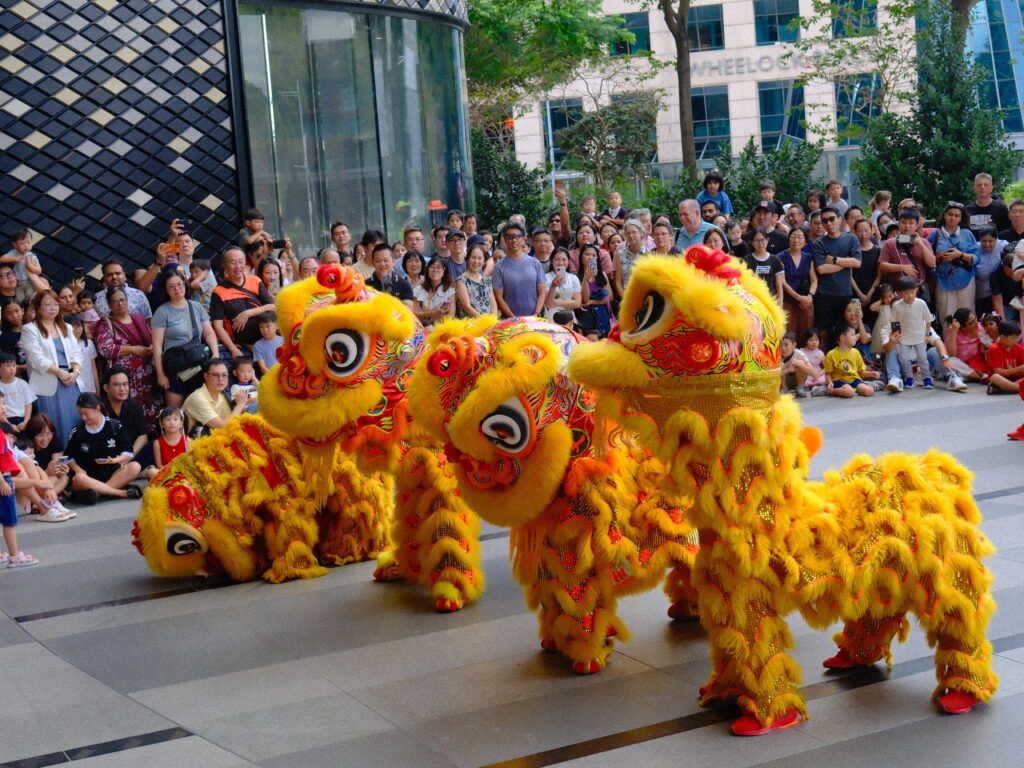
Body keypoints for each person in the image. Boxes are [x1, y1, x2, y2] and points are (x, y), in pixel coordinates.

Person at [152, 270, 219, 408]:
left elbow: (209, 333)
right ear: (166, 290)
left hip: (198, 364)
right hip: (176, 367)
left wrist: (215, 355)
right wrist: (161, 374)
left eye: (179, 284)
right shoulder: (162, 312)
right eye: (172, 286)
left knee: (200, 410)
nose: (177, 289)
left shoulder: (196, 306)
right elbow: (157, 346)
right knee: (175, 413)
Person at [22, 290, 82, 441]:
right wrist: (60, 372)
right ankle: (59, 459)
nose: (53, 308)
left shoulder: (66, 327)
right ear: (38, 307)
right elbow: (36, 358)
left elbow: (76, 352)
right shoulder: (30, 329)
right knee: (55, 424)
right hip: (48, 382)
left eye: (55, 304)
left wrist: (75, 372)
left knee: (76, 420)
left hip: (71, 381)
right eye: (48, 304)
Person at [94, 286, 159, 425]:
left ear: (128, 300)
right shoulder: (106, 324)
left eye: (122, 299)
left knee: (151, 410)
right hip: (125, 381)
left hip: (147, 376)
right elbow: (105, 349)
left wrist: (153, 347)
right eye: (115, 301)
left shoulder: (139, 319)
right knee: (130, 412)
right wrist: (133, 350)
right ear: (109, 305)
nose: (120, 303)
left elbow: (153, 339)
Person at [64, 392, 142, 503]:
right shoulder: (77, 431)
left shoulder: (115, 426)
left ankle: (98, 493)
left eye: (86, 413)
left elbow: (128, 453)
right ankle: (120, 493)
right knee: (79, 479)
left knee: (135, 466)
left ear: (97, 408)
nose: (83, 417)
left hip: (112, 474)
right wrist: (78, 469)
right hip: (88, 478)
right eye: (80, 414)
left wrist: (114, 460)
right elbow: (68, 457)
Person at [210, 246, 275, 358]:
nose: (238, 266)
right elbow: (218, 326)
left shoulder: (255, 281)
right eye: (233, 263)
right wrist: (233, 349)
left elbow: (272, 306)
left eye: (241, 262)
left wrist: (247, 313)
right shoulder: (218, 292)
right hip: (243, 345)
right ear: (224, 265)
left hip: (267, 340)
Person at [812, 206, 861, 349]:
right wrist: (845, 262)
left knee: (849, 329)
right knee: (824, 331)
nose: (828, 223)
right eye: (824, 220)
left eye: (832, 219)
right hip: (824, 294)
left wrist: (833, 260)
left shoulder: (851, 238)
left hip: (846, 293)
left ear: (840, 220)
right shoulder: (819, 242)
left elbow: (857, 263)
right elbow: (821, 269)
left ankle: (848, 362)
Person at [931, 202, 979, 330]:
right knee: (946, 315)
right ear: (944, 216)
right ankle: (949, 346)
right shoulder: (935, 234)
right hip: (943, 281)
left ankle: (969, 346)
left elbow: (976, 258)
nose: (953, 218)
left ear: (961, 218)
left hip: (966, 280)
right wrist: (939, 257)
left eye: (957, 215)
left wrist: (960, 255)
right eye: (950, 214)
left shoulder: (967, 234)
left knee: (968, 315)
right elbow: (927, 259)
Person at [878, 207, 937, 300]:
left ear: (917, 225)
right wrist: (902, 267)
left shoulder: (924, 242)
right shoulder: (889, 243)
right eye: (903, 223)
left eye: (911, 223)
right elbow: (882, 265)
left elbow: (932, 263)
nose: (907, 226)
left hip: (919, 291)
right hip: (898, 292)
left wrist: (920, 244)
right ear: (899, 223)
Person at [0, 421, 37, 565]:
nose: (3, 408)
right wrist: (3, 482)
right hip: (3, 478)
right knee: (9, 521)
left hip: (5, 476)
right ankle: (14, 555)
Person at [183, 358, 249, 437]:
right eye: (215, 375)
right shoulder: (197, 398)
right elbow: (222, 427)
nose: (221, 379)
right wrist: (240, 405)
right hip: (190, 446)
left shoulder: (223, 395)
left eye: (224, 375)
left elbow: (231, 422)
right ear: (206, 376)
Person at [890, 276, 936, 389]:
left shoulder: (921, 303)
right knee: (904, 358)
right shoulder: (896, 306)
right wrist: (896, 334)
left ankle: (927, 378)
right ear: (899, 293)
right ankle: (909, 378)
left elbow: (928, 319)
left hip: (919, 336)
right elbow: (894, 321)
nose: (910, 295)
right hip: (904, 338)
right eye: (906, 293)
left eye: (912, 292)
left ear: (916, 290)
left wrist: (928, 334)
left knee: (922, 358)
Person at [492, 221, 546, 318]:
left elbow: (542, 292)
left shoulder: (535, 263)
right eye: (509, 237)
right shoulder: (499, 267)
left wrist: (536, 314)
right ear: (504, 239)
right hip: (510, 321)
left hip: (535, 319)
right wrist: (512, 317)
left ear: (523, 237)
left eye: (517, 236)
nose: (514, 240)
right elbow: (499, 297)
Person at [100, 367, 149, 457]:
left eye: (125, 384)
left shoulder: (134, 406)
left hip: (131, 454)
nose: (122, 389)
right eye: (116, 385)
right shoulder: (99, 409)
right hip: (108, 457)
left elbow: (143, 436)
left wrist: (128, 457)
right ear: (106, 388)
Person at [778, 227, 816, 339]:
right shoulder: (781, 257)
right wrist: (799, 298)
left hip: (806, 302)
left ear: (805, 241)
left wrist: (810, 296)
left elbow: (814, 280)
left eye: (800, 237)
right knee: (789, 333)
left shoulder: (808, 257)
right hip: (788, 301)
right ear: (788, 238)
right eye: (793, 237)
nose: (796, 240)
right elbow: (782, 282)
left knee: (805, 332)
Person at [824, 324, 879, 398]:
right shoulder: (831, 354)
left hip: (855, 379)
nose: (855, 337)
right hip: (840, 381)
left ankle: (855, 389)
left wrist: (871, 374)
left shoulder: (856, 352)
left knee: (869, 391)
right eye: (852, 335)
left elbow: (861, 372)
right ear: (843, 338)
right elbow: (828, 373)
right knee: (849, 392)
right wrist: (830, 383)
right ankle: (832, 391)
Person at [576, 243, 613, 340]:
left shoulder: (602, 275)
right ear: (581, 257)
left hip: (602, 315)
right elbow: (584, 300)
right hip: (586, 317)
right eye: (587, 254)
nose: (590, 257)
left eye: (594, 255)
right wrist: (585, 279)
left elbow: (610, 297)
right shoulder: (575, 277)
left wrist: (592, 302)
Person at [945, 307, 990, 385]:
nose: (976, 323)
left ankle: (968, 376)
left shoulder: (980, 328)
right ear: (962, 327)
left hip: (977, 363)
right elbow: (951, 355)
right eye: (971, 323)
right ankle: (981, 377)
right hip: (962, 366)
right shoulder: (952, 331)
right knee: (950, 361)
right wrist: (954, 332)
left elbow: (988, 346)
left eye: (975, 319)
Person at [2, 228, 47, 303]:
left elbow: (39, 271)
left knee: (30, 295)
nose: (26, 245)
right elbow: (2, 259)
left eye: (28, 243)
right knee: (19, 299)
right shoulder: (14, 253)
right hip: (19, 283)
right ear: (15, 245)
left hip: (29, 281)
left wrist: (30, 267)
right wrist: (15, 259)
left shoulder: (32, 256)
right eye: (22, 243)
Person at [146, 407, 189, 480]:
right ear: (161, 424)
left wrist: (180, 472)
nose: (172, 422)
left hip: (183, 472)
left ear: (181, 423)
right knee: (151, 472)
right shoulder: (157, 443)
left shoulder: (187, 441)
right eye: (168, 419)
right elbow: (159, 464)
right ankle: (171, 481)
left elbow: (189, 462)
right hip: (166, 473)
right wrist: (171, 473)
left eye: (175, 419)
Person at [455, 244, 495, 319]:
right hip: (471, 324)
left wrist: (494, 322)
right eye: (473, 258)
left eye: (480, 258)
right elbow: (467, 307)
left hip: (489, 324)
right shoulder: (461, 281)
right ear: (467, 259)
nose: (476, 261)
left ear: (484, 262)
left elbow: (493, 304)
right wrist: (485, 322)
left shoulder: (487, 280)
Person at [614, 218, 651, 297]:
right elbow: (618, 282)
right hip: (626, 296)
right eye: (628, 233)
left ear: (641, 233)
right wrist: (626, 300)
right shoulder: (620, 254)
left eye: (634, 232)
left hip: (646, 298)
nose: (631, 235)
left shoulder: (649, 254)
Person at [744, 228, 785, 299]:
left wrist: (780, 304)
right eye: (756, 241)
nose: (760, 244)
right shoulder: (747, 259)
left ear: (767, 240)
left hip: (771, 300)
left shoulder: (775, 259)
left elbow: (779, 285)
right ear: (752, 242)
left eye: (762, 240)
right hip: (754, 300)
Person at [974, 226, 1006, 317]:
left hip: (1002, 292)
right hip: (982, 294)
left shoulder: (1004, 246)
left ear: (996, 239)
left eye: (990, 241)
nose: (987, 244)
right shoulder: (974, 248)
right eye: (983, 241)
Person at [966, 172, 1010, 236]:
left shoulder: (1001, 209)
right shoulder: (967, 210)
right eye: (979, 185)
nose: (982, 187)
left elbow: (1007, 231)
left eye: (986, 185)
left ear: (991, 188)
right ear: (974, 189)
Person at [543, 249, 582, 321]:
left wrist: (556, 302)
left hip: (569, 317)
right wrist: (553, 287)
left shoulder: (573, 278)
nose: (561, 263)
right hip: (551, 317)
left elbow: (578, 303)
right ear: (551, 261)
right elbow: (548, 304)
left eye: (564, 260)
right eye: (557, 259)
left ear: (568, 261)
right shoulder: (545, 278)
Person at [986, 320, 1024, 393]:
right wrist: (1018, 369)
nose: (1016, 341)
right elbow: (998, 372)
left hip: (1017, 379)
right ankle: (1018, 388)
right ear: (1002, 337)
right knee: (995, 377)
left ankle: (1006, 389)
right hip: (1002, 379)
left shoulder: (1018, 348)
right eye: (1014, 338)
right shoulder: (994, 349)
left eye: (1017, 338)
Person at [66, 314, 98, 395]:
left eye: (80, 326)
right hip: (73, 386)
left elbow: (93, 367)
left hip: (89, 386)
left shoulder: (89, 344)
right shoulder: (65, 345)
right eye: (74, 326)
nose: (78, 329)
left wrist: (97, 388)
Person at [0, 353, 33, 430]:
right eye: (7, 366)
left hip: (23, 419)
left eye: (14, 365)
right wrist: (9, 425)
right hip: (6, 420)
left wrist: (26, 421)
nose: (11, 369)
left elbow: (28, 404)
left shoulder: (22, 383)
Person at [780, 332, 814, 397]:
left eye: (786, 345)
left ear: (794, 345)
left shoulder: (799, 354)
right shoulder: (776, 356)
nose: (783, 348)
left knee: (801, 363)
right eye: (780, 345)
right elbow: (773, 375)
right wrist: (787, 370)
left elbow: (813, 373)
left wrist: (800, 365)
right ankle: (783, 388)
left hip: (796, 381)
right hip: (782, 383)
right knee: (780, 365)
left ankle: (799, 388)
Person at [0, 300, 27, 376]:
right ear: (5, 316)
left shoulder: (32, 329)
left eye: (17, 311)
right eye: (9, 313)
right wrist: (25, 367)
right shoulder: (5, 337)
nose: (14, 316)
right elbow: (9, 362)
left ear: (22, 311)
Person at [252, 312, 282, 376]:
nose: (265, 330)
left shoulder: (284, 341)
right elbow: (262, 367)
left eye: (268, 326)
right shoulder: (258, 345)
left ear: (277, 325)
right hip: (269, 377)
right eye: (261, 327)